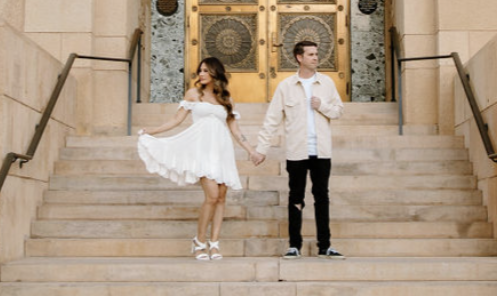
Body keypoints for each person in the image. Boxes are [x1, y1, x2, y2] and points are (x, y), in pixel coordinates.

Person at [137, 57, 264, 260]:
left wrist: (252, 151)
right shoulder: (193, 94)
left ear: (215, 73)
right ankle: (199, 240)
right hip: (202, 151)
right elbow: (176, 119)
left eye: (205, 70)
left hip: (222, 151)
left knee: (221, 197)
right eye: (200, 71)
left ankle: (214, 243)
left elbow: (235, 130)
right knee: (212, 196)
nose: (201, 74)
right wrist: (152, 131)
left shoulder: (226, 99)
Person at [255, 40, 345, 258]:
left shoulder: (326, 83)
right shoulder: (286, 86)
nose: (316, 57)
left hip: (321, 151)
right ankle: (294, 244)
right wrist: (261, 148)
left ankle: (325, 245)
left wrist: (321, 106)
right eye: (311, 54)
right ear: (299, 57)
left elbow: (338, 110)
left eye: (316, 53)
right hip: (297, 152)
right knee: (296, 197)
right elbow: (272, 119)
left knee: (321, 196)